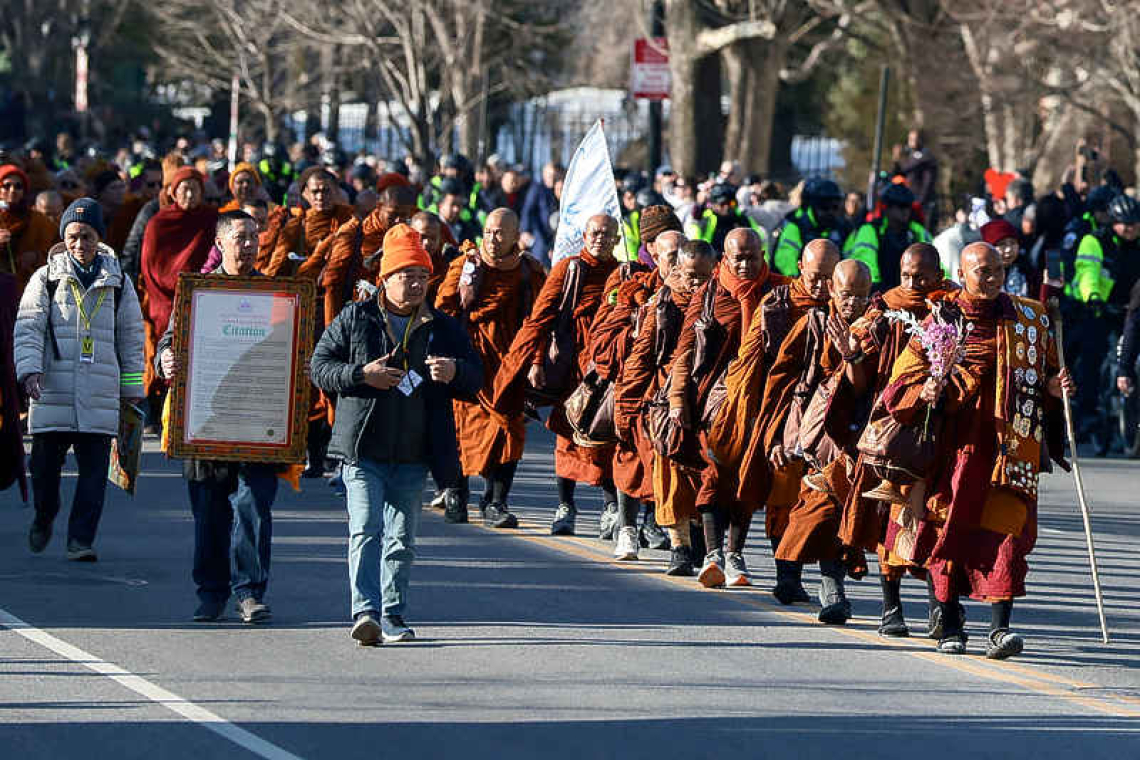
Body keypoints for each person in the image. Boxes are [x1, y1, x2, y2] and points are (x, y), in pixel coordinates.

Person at [880, 242, 1073, 658]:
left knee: (1007, 536)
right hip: (955, 452)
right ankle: (950, 623)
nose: (990, 279)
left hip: (1009, 450)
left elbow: (1048, 375)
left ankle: (1000, 629)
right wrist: (926, 389)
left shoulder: (1029, 319)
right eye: (980, 272)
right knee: (948, 536)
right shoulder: (942, 322)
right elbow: (899, 387)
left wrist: (1056, 390)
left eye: (996, 271)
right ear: (961, 274)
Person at [310, 223, 481, 646]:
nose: (417, 283)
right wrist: (360, 374)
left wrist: (456, 371)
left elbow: (477, 376)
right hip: (362, 450)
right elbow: (318, 368)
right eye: (407, 275)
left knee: (402, 540)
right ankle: (365, 612)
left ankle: (392, 613)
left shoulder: (441, 326)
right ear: (385, 278)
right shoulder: (356, 317)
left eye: (423, 275)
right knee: (366, 528)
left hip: (414, 454)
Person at [156, 211, 281, 623]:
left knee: (253, 508)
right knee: (209, 513)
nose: (248, 245)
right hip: (205, 422)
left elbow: (291, 350)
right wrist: (165, 360)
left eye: (253, 238)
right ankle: (211, 592)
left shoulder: (279, 295)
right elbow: (169, 343)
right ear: (221, 242)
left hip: (258, 421)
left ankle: (249, 590)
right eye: (240, 237)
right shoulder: (197, 293)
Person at [14, 198, 145, 560]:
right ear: (63, 238)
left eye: (86, 236)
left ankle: (80, 540)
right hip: (52, 389)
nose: (79, 245)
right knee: (43, 471)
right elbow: (28, 328)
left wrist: (132, 388)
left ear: (99, 238)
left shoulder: (118, 282)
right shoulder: (47, 278)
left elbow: (132, 338)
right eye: (72, 236)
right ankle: (45, 516)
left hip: (100, 392)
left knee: (93, 476)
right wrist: (28, 372)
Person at [837, 244, 957, 636]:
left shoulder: (954, 306)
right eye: (906, 275)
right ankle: (891, 606)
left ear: (938, 274)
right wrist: (852, 356)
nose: (913, 284)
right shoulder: (885, 308)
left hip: (945, 425)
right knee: (894, 514)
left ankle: (940, 609)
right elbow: (859, 379)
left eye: (921, 277)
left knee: (937, 519)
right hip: (895, 423)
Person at [669, 229, 794, 585]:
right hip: (715, 402)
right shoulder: (709, 294)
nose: (743, 265)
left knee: (747, 477)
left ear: (762, 254)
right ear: (724, 257)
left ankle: (735, 554)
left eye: (751, 257)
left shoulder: (779, 290)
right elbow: (685, 349)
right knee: (713, 474)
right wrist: (678, 399)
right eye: (736, 258)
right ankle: (712, 554)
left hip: (762, 402)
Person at [717, 240, 840, 595]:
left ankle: (828, 582)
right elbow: (750, 358)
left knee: (825, 494)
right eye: (815, 277)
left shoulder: (843, 305)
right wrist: (752, 414)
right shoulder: (779, 303)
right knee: (782, 493)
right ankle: (787, 574)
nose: (821, 287)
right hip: (783, 408)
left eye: (828, 279)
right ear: (801, 266)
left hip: (829, 412)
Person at [492, 214, 621, 536]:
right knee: (567, 436)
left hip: (603, 370)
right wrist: (533, 361)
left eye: (607, 234)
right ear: (584, 235)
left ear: (617, 239)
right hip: (570, 369)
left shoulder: (622, 274)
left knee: (606, 436)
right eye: (594, 233)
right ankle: (566, 506)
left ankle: (611, 508)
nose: (600, 239)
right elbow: (540, 318)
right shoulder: (569, 269)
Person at [765, 260, 873, 624]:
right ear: (831, 291)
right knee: (817, 508)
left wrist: (853, 356)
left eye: (861, 296)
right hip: (811, 432)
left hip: (854, 436)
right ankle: (794, 575)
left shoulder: (877, 328)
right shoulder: (812, 324)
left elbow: (868, 385)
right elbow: (782, 380)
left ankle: (823, 588)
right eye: (846, 295)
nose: (852, 304)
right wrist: (778, 434)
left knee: (837, 511)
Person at [435, 209, 546, 527]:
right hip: (470, 360)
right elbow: (444, 310)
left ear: (515, 236)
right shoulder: (466, 266)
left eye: (500, 233)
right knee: (461, 430)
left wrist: (536, 361)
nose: (492, 239)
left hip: (511, 363)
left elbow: (540, 321)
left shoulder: (529, 272)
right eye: (487, 232)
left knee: (509, 430)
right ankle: (457, 492)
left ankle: (496, 501)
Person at [615, 236, 715, 570]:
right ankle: (679, 546)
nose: (696, 283)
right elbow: (641, 356)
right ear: (676, 268)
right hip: (663, 397)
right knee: (668, 467)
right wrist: (626, 407)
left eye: (703, 276)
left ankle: (703, 542)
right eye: (690, 275)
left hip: (708, 395)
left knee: (705, 472)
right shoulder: (665, 302)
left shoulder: (721, 300)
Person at [139, 167, 218, 421]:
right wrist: (175, 289)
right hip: (163, 293)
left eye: (195, 188)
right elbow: (151, 264)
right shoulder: (158, 222)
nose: (190, 193)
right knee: (165, 330)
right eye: (184, 187)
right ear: (173, 192)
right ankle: (160, 399)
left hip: (200, 292)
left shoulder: (210, 218)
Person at [1069, 193, 1140, 447]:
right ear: (1113, 222)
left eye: (1135, 223)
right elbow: (1088, 272)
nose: (1130, 228)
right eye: (1124, 223)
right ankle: (1088, 411)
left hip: (1133, 309)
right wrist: (1094, 296)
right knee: (1093, 355)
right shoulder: (1095, 241)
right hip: (1100, 309)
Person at [844, 183, 932, 291]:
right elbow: (867, 266)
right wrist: (879, 293)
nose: (905, 211)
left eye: (908, 206)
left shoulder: (917, 231)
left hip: (912, 291)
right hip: (878, 293)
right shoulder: (871, 230)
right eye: (900, 206)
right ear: (887, 208)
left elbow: (934, 262)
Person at [0, 163, 59, 295]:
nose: (12, 190)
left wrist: (36, 256)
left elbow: (57, 251)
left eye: (18, 186)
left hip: (28, 291)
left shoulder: (37, 219)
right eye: (6, 185)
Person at [773, 178, 848, 276]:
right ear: (814, 206)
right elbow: (785, 258)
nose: (830, 212)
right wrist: (799, 282)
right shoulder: (796, 226)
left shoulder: (843, 229)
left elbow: (851, 259)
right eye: (824, 207)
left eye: (835, 207)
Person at [685, 183, 762, 253]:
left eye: (732, 203)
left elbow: (759, 241)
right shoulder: (705, 219)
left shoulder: (743, 219)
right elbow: (694, 246)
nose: (727, 207)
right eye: (722, 204)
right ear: (713, 204)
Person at [891, 129, 938, 227]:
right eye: (910, 139)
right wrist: (896, 159)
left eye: (915, 139)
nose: (912, 142)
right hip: (909, 201)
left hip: (921, 202)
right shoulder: (909, 155)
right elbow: (898, 174)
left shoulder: (925, 156)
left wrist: (920, 201)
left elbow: (927, 182)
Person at [520, 162, 563, 265]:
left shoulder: (560, 189)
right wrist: (525, 230)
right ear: (544, 175)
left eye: (554, 175)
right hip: (539, 232)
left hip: (555, 234)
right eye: (549, 175)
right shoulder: (537, 189)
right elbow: (527, 210)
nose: (551, 178)